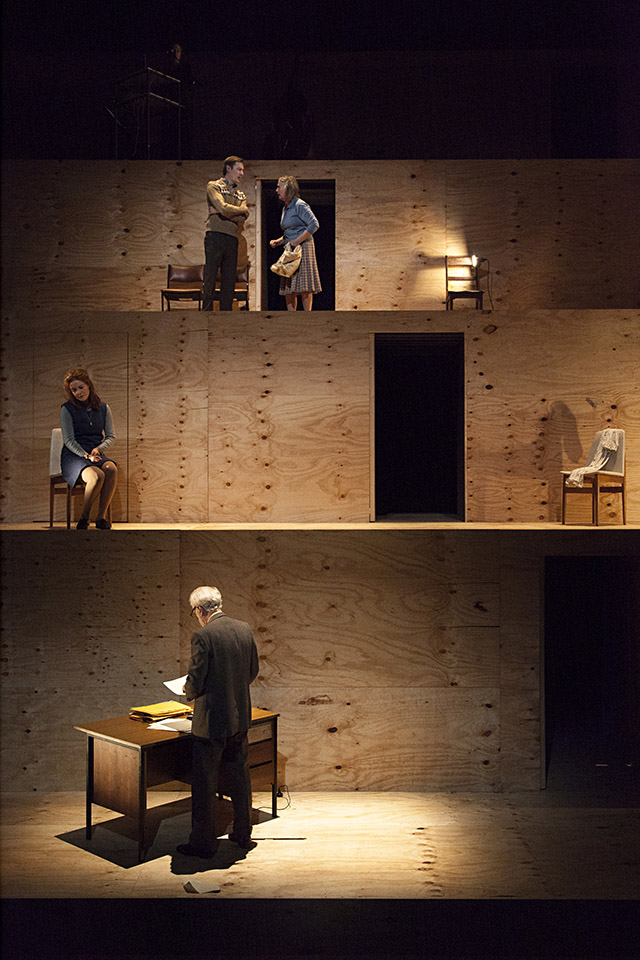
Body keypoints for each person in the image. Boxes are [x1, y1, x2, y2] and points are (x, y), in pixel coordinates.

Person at [177, 586, 259, 858]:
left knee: (204, 785)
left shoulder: (203, 636)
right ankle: (243, 834)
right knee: (239, 779)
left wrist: (187, 691)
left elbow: (196, 679)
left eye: (194, 612)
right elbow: (252, 670)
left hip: (211, 723)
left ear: (200, 610)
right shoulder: (244, 629)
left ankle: (203, 843)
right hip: (239, 718)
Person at [60, 369, 118, 530]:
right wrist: (85, 455)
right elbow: (69, 440)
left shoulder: (103, 408)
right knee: (97, 475)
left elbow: (111, 436)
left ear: (89, 386)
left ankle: (101, 518)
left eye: (80, 387)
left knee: (111, 469)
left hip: (95, 452)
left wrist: (98, 449)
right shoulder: (67, 409)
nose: (78, 392)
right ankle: (84, 518)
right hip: (74, 455)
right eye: (74, 390)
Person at [203, 157, 249, 311]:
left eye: (242, 170)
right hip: (215, 235)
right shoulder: (214, 186)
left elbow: (244, 215)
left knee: (229, 279)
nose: (242, 173)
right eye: (239, 169)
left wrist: (222, 211)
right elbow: (223, 207)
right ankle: (207, 312)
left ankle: (226, 314)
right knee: (210, 275)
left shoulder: (240, 194)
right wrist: (228, 211)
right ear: (228, 169)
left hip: (232, 238)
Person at [270, 175, 321, 311]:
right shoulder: (285, 208)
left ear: (287, 189)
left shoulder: (300, 205)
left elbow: (314, 224)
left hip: (303, 247)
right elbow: (290, 231)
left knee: (304, 284)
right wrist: (279, 241)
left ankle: (306, 316)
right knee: (289, 284)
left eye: (278, 187)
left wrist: (297, 242)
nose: (276, 190)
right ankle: (291, 315)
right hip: (290, 248)